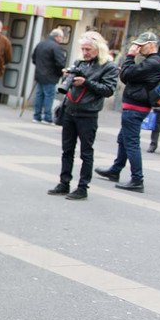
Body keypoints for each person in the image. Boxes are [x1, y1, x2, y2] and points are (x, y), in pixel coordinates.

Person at [46, 31, 118, 200]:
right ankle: (64, 182)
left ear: (98, 48)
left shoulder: (109, 66)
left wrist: (86, 82)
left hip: (88, 113)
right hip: (71, 110)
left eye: (88, 49)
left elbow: (108, 90)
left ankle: (82, 187)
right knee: (67, 150)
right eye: (83, 49)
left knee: (86, 152)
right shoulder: (80, 62)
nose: (85, 52)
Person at [95, 32, 160, 192]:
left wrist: (130, 56)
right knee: (124, 139)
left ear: (152, 45)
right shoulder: (151, 62)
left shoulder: (152, 63)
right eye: (137, 45)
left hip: (136, 108)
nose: (138, 48)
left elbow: (125, 75)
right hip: (135, 106)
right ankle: (116, 169)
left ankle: (137, 179)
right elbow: (127, 76)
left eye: (142, 45)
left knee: (131, 142)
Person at [30, 28, 67, 124]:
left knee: (39, 96)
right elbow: (60, 63)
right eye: (61, 37)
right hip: (51, 76)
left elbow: (34, 58)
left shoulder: (40, 44)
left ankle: (36, 116)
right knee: (49, 96)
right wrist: (60, 72)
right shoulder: (56, 47)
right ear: (57, 37)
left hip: (39, 75)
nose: (61, 39)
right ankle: (47, 117)